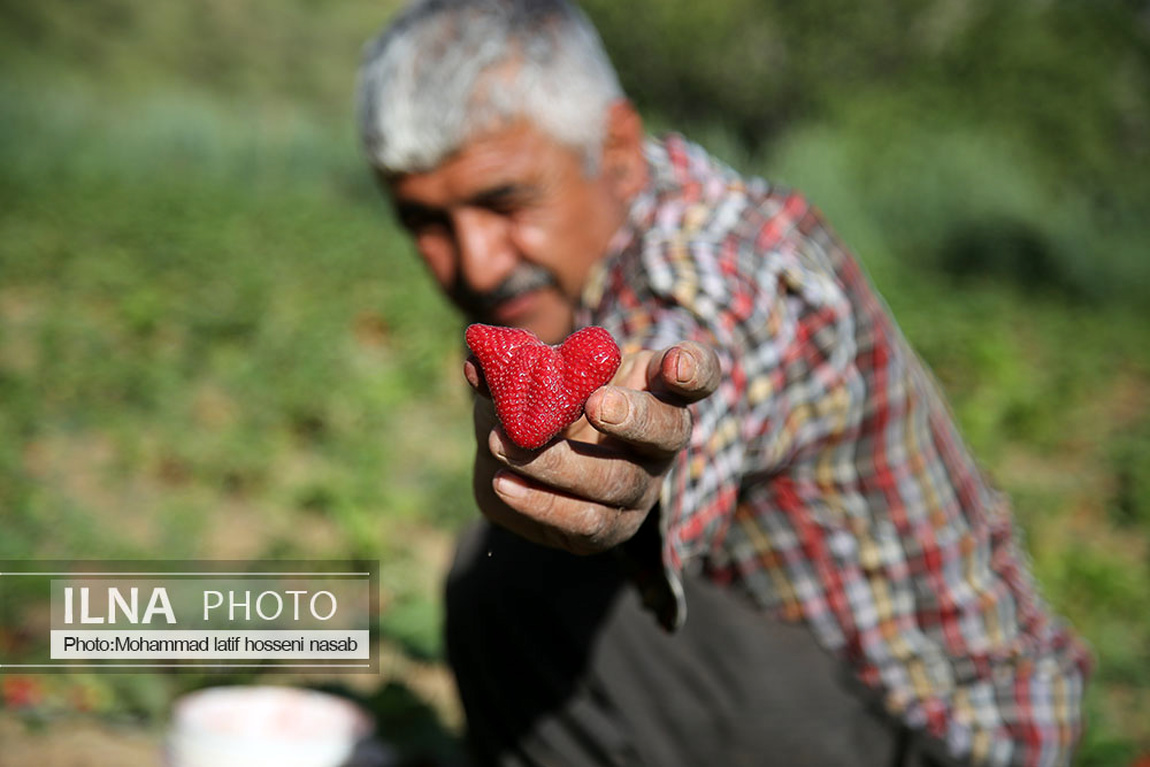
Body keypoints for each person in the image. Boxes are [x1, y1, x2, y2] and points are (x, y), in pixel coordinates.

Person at [356, 1, 1093, 765]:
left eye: (505, 201)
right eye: (425, 222)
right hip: (797, 685)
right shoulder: (559, 281)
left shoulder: (724, 262)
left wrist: (630, 473)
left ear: (616, 148)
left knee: (517, 584)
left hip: (942, 734)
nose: (475, 262)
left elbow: (707, 357)